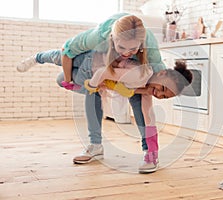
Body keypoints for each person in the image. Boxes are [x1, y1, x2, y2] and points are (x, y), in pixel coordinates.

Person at [17, 13, 174, 173]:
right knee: (62, 71)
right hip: (95, 60)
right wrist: (68, 80)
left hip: (114, 72)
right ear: (113, 39)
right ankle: (38, 58)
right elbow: (67, 51)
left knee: (138, 99)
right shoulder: (97, 36)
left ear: (141, 44)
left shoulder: (151, 52)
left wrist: (152, 144)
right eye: (122, 48)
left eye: (132, 49)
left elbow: (148, 101)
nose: (126, 53)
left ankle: (150, 153)